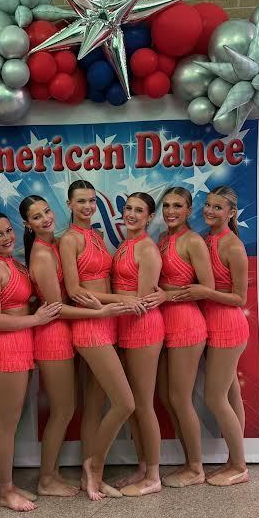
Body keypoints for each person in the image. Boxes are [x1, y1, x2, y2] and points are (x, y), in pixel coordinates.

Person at [19, 194, 126, 498]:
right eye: (36, 217)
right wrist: (100, 311)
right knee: (63, 409)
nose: (45, 219)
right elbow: (57, 308)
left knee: (76, 406)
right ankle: (46, 478)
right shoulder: (42, 254)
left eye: (46, 211)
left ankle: (79, 473)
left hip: (70, 330)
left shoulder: (59, 244)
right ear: (28, 224)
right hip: (53, 335)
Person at [60, 179, 143, 500]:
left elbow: (102, 280)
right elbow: (74, 290)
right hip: (91, 325)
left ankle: (88, 474)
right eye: (81, 201)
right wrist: (118, 303)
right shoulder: (68, 240)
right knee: (125, 402)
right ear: (69, 205)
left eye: (92, 201)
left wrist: (116, 305)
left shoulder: (94, 235)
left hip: (107, 323)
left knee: (95, 405)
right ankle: (94, 468)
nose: (87, 207)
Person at [0, 212, 61, 512]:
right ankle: (5, 491)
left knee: (11, 422)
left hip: (19, 348)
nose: (6, 238)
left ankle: (9, 485)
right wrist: (35, 318)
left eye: (8, 231)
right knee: (6, 426)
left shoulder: (14, 264)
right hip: (1, 351)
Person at [173, 187, 249, 486]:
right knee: (231, 394)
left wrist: (206, 292)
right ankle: (234, 459)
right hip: (210, 323)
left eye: (218, 208)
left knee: (216, 397)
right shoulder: (206, 240)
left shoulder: (233, 246)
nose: (210, 211)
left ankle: (240, 467)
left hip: (228, 326)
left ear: (231, 213)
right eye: (208, 205)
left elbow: (240, 298)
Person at [157, 187, 214, 488]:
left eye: (177, 206)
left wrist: (165, 295)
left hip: (187, 324)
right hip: (163, 324)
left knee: (180, 397)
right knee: (167, 397)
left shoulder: (193, 241)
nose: (170, 211)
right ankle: (188, 460)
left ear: (189, 210)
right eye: (166, 205)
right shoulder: (164, 239)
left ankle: (196, 467)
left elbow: (205, 287)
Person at [111, 192, 165, 496]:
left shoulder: (146, 249)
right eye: (128, 208)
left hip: (143, 328)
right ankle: (143, 467)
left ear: (149, 217)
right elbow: (126, 296)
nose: (131, 214)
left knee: (143, 404)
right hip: (125, 328)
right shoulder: (125, 246)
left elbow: (141, 302)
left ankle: (154, 476)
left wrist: (103, 300)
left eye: (138, 210)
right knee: (132, 406)